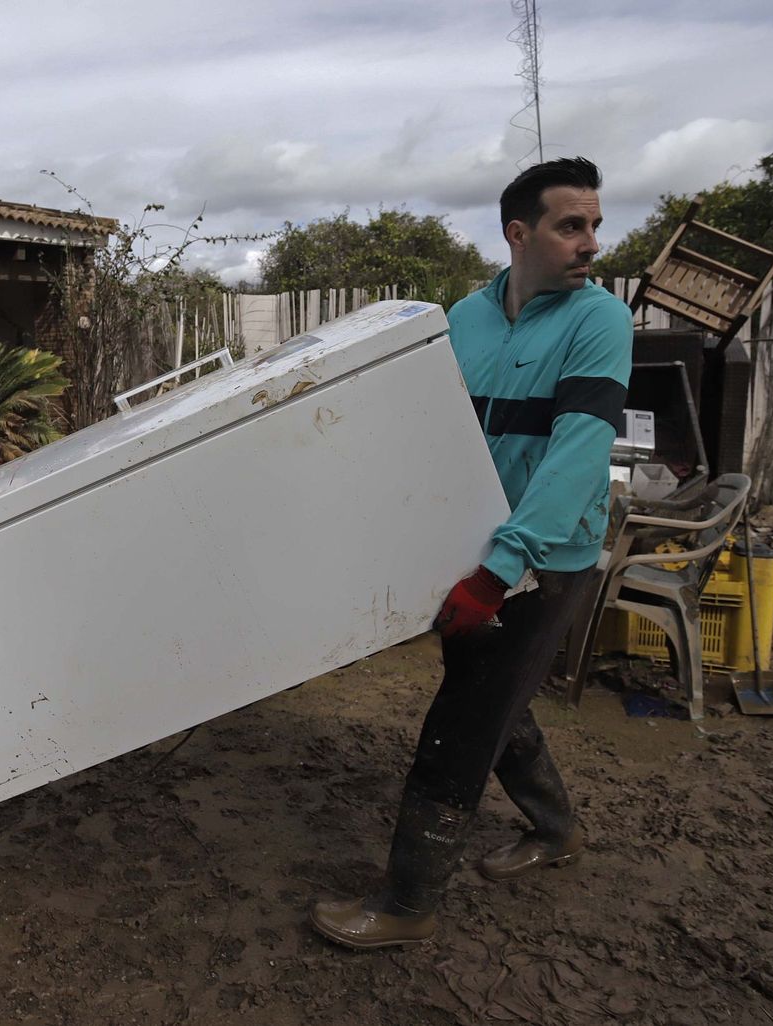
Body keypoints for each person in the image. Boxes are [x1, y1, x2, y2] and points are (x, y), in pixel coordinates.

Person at [311, 157, 632, 949]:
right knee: (493, 696)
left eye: (595, 224)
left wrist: (500, 570)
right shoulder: (465, 316)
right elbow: (436, 434)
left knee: (462, 720)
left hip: (541, 561)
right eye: (571, 225)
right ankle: (557, 830)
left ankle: (407, 903)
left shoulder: (599, 321)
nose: (591, 242)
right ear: (518, 233)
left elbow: (579, 454)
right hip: (470, 543)